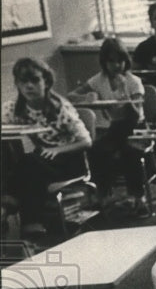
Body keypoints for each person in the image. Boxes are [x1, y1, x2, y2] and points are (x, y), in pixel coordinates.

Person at [1, 58, 92, 237]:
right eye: (23, 82)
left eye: (35, 81)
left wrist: (57, 150)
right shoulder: (13, 108)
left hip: (68, 161)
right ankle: (25, 217)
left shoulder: (60, 107)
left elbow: (86, 141)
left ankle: (13, 206)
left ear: (46, 81)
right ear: (17, 84)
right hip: (41, 162)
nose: (29, 87)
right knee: (14, 157)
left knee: (28, 163)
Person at [68, 37, 147, 214]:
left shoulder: (133, 81)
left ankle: (138, 196)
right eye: (111, 61)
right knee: (95, 149)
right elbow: (70, 95)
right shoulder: (98, 80)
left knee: (129, 151)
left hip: (135, 128)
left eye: (120, 60)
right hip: (114, 129)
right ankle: (102, 194)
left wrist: (123, 91)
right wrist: (86, 98)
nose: (116, 65)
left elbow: (134, 114)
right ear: (104, 62)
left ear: (126, 61)